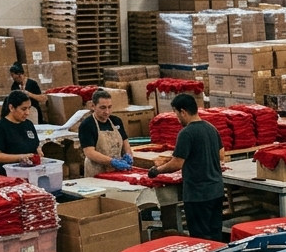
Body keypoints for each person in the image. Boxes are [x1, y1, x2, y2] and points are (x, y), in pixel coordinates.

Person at [147, 94, 225, 241]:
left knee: (200, 239)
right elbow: (221, 155)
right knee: (215, 235)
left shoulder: (186, 133)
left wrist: (157, 171)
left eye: (176, 113)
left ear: (182, 112)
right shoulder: (211, 128)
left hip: (198, 195)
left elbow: (177, 163)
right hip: (216, 191)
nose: (177, 118)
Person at [79, 88, 134, 179]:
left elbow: (125, 143)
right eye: (103, 108)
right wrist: (112, 162)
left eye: (109, 107)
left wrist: (129, 155)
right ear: (93, 106)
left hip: (117, 171)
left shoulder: (116, 121)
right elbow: (89, 152)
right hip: (96, 172)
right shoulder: (87, 125)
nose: (107, 111)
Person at [0, 90, 43, 169]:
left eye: (29, 108)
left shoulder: (28, 124)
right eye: (23, 109)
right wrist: (21, 157)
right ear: (11, 108)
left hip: (30, 170)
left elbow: (35, 144)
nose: (27, 113)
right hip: (10, 172)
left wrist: (38, 150)